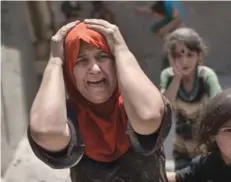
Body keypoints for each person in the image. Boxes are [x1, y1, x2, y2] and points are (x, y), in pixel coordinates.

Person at [28, 19, 172, 181]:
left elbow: (148, 117)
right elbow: (46, 132)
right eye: (81, 60)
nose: (95, 69)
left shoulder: (133, 105)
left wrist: (121, 50)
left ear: (116, 62)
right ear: (69, 71)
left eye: (102, 56)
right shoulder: (67, 119)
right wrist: (55, 62)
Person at [160, 27, 222, 171]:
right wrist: (177, 77)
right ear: (171, 57)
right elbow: (163, 107)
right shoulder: (168, 76)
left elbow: (220, 105)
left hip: (208, 146)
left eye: (189, 54)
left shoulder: (206, 76)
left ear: (198, 56)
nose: (184, 61)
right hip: (182, 147)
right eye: (178, 56)